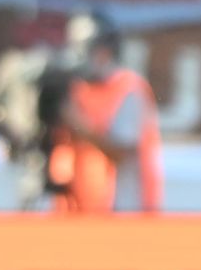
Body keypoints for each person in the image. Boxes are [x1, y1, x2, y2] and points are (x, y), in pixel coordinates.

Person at [55, 18, 163, 214]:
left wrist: (77, 123)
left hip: (124, 209)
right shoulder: (77, 89)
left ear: (106, 51)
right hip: (81, 208)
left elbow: (121, 151)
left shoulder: (128, 88)